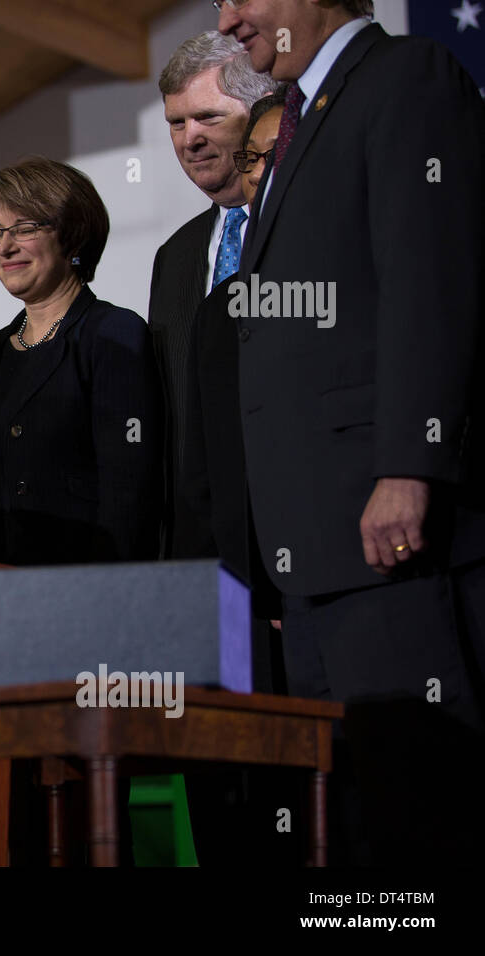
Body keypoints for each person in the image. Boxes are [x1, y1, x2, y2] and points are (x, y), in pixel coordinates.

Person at [217, 0, 485, 864]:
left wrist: (408, 465)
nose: (227, 19)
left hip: (392, 534)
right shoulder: (297, 121)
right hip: (317, 553)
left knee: (431, 812)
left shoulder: (404, 78)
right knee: (357, 829)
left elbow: (430, 278)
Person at [179, 91, 298, 867]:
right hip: (235, 589)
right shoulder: (215, 298)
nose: (249, 176)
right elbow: (204, 456)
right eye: (248, 159)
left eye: (265, 156)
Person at [0, 157, 162, 566]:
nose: (5, 247)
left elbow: (129, 490)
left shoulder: (113, 334)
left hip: (81, 586)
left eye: (24, 229)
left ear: (73, 236)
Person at [151, 31, 278, 560]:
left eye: (209, 118)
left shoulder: (305, 232)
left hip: (297, 517)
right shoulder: (174, 256)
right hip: (202, 541)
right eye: (177, 124)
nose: (189, 139)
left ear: (259, 114)